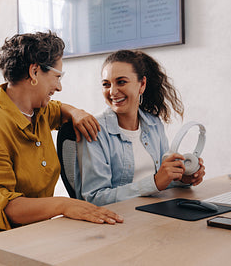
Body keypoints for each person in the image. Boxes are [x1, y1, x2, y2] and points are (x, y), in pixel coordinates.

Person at [0, 32, 123, 266]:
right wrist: (64, 204)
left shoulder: (38, 111)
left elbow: (59, 109)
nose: (58, 86)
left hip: (27, 232)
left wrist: (76, 113)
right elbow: (6, 207)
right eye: (57, 76)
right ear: (35, 72)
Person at [75, 50, 205, 206]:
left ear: (142, 84)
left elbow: (160, 183)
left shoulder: (153, 124)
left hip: (154, 212)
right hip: (119, 220)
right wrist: (155, 183)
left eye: (121, 82)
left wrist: (181, 179)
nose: (112, 91)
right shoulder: (94, 129)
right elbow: (95, 198)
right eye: (106, 84)